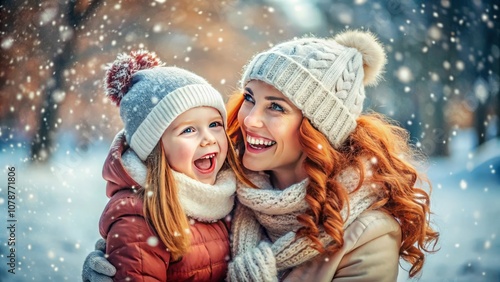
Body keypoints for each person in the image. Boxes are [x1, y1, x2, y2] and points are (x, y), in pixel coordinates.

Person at [83, 30, 440, 281]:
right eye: (250, 98)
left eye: (276, 107)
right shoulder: (221, 190)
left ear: (319, 128)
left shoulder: (369, 234)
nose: (249, 119)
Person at [84, 50, 252, 281]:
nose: (209, 138)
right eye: (188, 130)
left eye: (214, 124)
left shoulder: (230, 196)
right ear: (155, 148)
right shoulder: (139, 217)